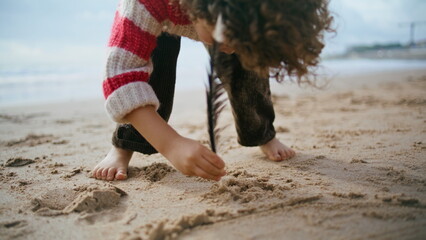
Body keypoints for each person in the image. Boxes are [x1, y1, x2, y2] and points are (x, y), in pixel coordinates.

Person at [92, 0, 333, 181]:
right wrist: (171, 144)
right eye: (230, 38)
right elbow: (120, 75)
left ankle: (261, 133)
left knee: (247, 70)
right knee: (156, 68)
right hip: (164, 16)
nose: (232, 47)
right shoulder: (146, 5)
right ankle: (125, 146)